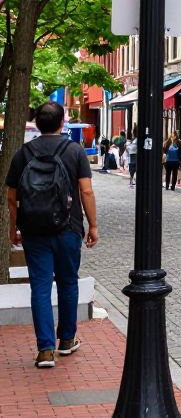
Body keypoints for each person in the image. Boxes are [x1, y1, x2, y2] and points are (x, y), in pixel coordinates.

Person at [4, 101, 99, 368]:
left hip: (34, 230)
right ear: (62, 123)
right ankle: (67, 340)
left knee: (41, 287)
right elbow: (86, 191)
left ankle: (45, 350)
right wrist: (92, 225)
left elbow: (12, 196)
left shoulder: (23, 154)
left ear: (37, 123)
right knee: (68, 283)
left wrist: (15, 227)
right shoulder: (74, 151)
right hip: (68, 228)